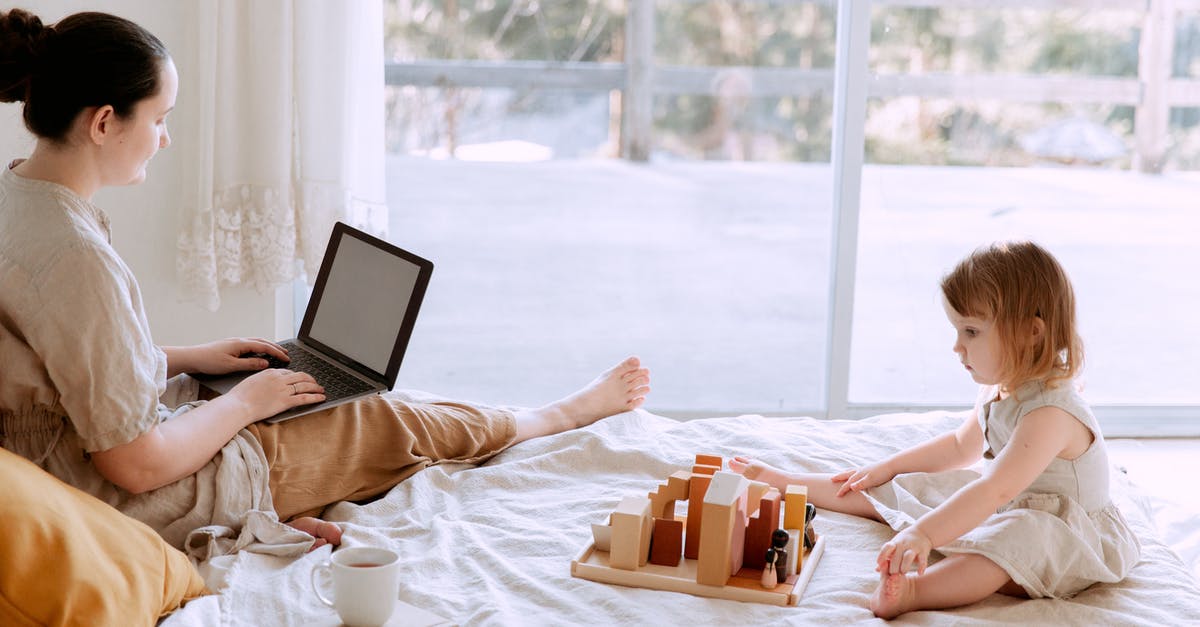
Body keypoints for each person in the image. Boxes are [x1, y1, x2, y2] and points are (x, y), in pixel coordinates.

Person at [0, 8, 650, 557]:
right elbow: (134, 463)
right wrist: (243, 403)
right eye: (161, 117)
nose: (166, 139)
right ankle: (557, 414)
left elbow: (63, 365)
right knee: (382, 414)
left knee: (310, 389)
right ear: (105, 122)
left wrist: (189, 357)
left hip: (70, 459)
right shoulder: (75, 254)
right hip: (128, 497)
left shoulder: (21, 201)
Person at [730, 241, 1139, 618]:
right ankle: (786, 483)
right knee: (924, 487)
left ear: (1031, 332)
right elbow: (961, 447)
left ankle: (915, 592)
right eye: (957, 331)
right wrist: (888, 468)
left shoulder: (1051, 413)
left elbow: (995, 489)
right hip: (1014, 503)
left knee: (1017, 537)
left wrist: (923, 536)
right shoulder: (1000, 389)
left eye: (971, 332)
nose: (957, 346)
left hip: (1067, 535)